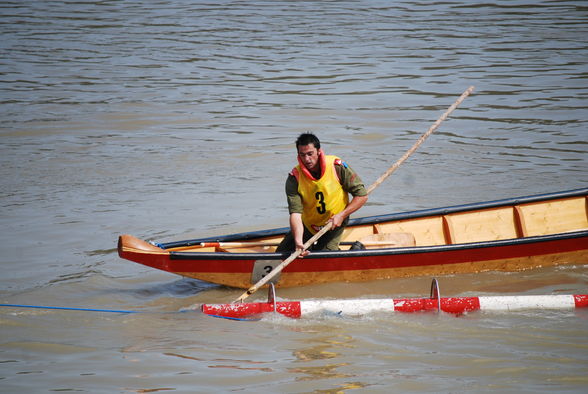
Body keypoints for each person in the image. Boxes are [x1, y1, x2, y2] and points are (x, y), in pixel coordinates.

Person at [276, 132, 368, 255]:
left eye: (310, 154)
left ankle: (356, 250)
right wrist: (298, 241)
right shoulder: (294, 177)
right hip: (309, 224)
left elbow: (362, 195)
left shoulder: (337, 167)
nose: (307, 159)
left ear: (319, 152)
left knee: (324, 255)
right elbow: (295, 214)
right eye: (302, 155)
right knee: (281, 253)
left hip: (334, 223)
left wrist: (342, 215)